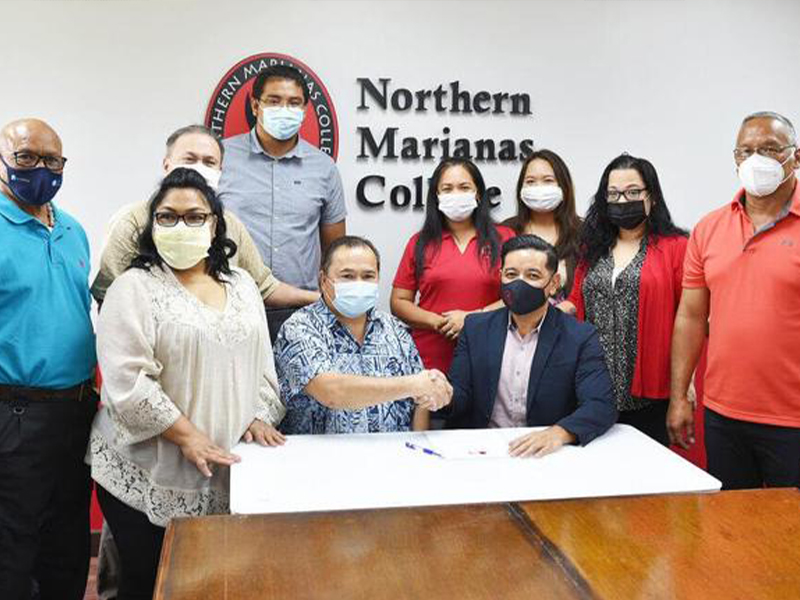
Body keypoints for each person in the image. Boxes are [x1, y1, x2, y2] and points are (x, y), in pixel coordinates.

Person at [89, 169, 285, 600]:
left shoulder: (243, 286)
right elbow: (128, 382)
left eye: (195, 217)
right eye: (168, 216)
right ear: (151, 224)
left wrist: (257, 413)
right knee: (148, 584)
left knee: (209, 585)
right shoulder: (133, 287)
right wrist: (189, 436)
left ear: (215, 225)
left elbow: (263, 368)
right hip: (145, 473)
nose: (181, 226)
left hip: (221, 473)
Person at [669, 111, 800, 489]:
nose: (756, 159)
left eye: (771, 149)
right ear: (735, 159)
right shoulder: (710, 228)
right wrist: (680, 396)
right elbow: (691, 317)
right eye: (746, 151)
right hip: (725, 416)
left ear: (795, 157)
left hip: (792, 421)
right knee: (731, 533)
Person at [0, 118, 98, 600]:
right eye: (25, 157)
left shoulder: (73, 229)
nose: (40, 168)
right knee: (13, 546)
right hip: (15, 415)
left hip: (77, 410)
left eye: (52, 160)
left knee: (68, 541)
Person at [91, 124, 318, 330]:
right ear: (167, 165)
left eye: (209, 162)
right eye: (189, 159)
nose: (198, 169)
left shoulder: (230, 225)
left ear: (220, 170)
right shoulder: (133, 221)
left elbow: (265, 287)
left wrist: (320, 298)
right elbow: (109, 298)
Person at [445, 235, 616, 456]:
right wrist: (443, 395)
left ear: (553, 284)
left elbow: (600, 404)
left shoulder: (580, 336)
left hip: (545, 453)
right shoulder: (476, 328)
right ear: (501, 277)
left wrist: (558, 433)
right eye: (511, 274)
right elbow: (460, 396)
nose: (519, 283)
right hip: (485, 451)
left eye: (532, 275)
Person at [560, 154, 688, 445]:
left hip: (651, 391)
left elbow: (688, 319)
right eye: (614, 194)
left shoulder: (677, 248)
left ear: (651, 197)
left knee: (647, 479)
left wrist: (686, 385)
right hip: (592, 387)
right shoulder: (591, 247)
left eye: (632, 192)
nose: (622, 200)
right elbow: (575, 302)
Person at [275, 236, 452, 434]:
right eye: (347, 276)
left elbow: (419, 405)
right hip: (318, 459)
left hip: (392, 458)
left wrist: (431, 390)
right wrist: (412, 384)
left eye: (368, 276)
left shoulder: (395, 330)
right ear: (324, 281)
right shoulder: (299, 328)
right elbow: (331, 391)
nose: (358, 283)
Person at [219, 65, 347, 337]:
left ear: (304, 110)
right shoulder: (222, 158)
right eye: (274, 101)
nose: (284, 109)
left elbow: (335, 250)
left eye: (294, 103)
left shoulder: (324, 168)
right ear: (255, 105)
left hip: (301, 310)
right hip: (230, 304)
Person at [391, 158, 515, 379]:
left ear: (478, 193)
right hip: (429, 360)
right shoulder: (420, 242)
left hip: (491, 355)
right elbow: (399, 302)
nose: (456, 194)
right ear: (436, 196)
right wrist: (439, 322)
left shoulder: (504, 237)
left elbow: (516, 293)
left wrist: (471, 319)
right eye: (447, 188)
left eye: (464, 187)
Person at [502, 149, 582, 303]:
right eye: (530, 181)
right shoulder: (506, 231)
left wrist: (570, 306)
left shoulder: (583, 233)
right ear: (521, 188)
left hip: (568, 323)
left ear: (563, 186)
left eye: (548, 180)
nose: (539, 187)